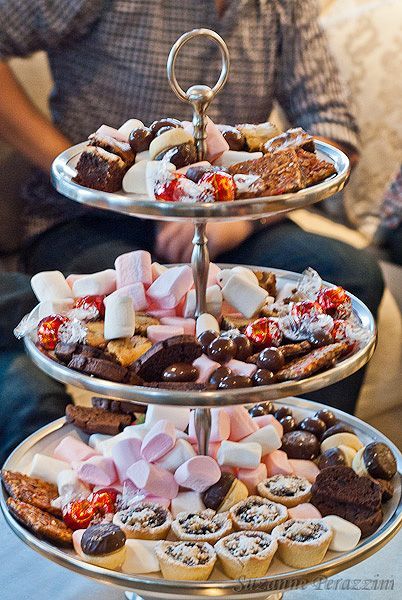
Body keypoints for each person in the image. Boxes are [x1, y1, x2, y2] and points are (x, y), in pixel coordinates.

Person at [0, 0, 384, 464]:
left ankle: (298, 455)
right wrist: (84, 166)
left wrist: (243, 219)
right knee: (130, 311)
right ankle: (145, 469)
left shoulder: (282, 6)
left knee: (350, 271)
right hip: (93, 219)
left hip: (232, 211)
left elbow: (332, 127)